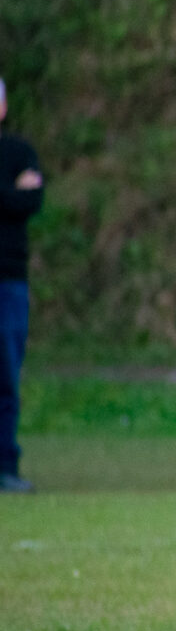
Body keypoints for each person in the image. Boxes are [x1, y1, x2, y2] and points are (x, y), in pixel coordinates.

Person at [0, 77, 45, 495]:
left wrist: (14, 197)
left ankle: (5, 467)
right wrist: (9, 193)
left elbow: (30, 201)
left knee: (6, 378)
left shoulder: (18, 151)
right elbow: (15, 199)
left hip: (8, 280)